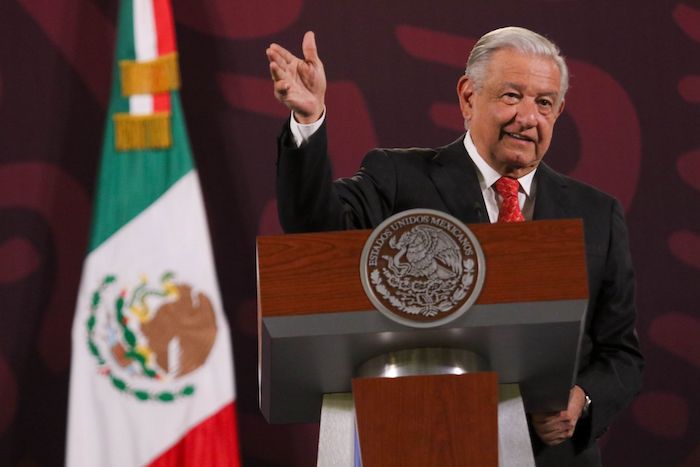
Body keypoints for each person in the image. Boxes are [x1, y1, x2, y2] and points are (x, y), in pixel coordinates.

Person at [266, 27, 644, 466]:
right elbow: (315, 232)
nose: (528, 117)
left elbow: (622, 354)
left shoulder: (597, 213)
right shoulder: (397, 178)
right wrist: (309, 120)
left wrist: (582, 399)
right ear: (467, 97)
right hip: (422, 441)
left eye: (544, 103)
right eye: (511, 96)